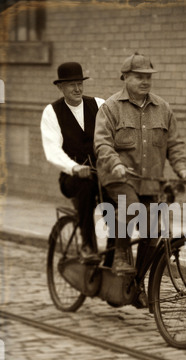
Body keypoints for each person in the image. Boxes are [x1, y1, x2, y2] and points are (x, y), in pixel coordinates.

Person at [94, 52, 186, 307]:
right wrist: (115, 164)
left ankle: (136, 284)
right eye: (139, 77)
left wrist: (182, 169)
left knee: (151, 233)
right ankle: (121, 256)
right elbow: (102, 144)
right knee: (131, 207)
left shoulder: (163, 108)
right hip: (119, 178)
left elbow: (175, 145)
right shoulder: (110, 107)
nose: (145, 81)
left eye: (148, 77)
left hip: (150, 181)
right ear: (125, 77)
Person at [40, 62, 105, 260]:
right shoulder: (52, 112)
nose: (77, 89)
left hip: (101, 172)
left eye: (79, 83)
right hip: (72, 177)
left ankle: (116, 252)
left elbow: (113, 137)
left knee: (118, 198)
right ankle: (88, 245)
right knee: (85, 188)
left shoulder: (100, 105)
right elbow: (52, 149)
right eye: (71, 85)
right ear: (60, 87)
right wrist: (74, 167)